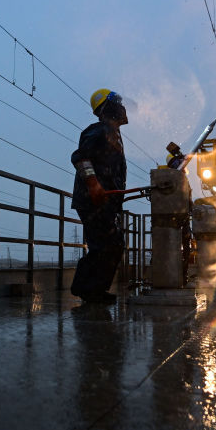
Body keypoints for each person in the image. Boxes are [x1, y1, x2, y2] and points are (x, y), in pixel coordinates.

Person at [70, 89, 128, 303]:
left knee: (112, 244)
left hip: (106, 201)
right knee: (103, 245)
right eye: (116, 101)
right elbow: (80, 157)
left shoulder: (113, 134)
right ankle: (85, 288)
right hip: (93, 200)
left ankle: (94, 289)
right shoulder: (99, 130)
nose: (121, 105)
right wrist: (93, 184)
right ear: (106, 108)